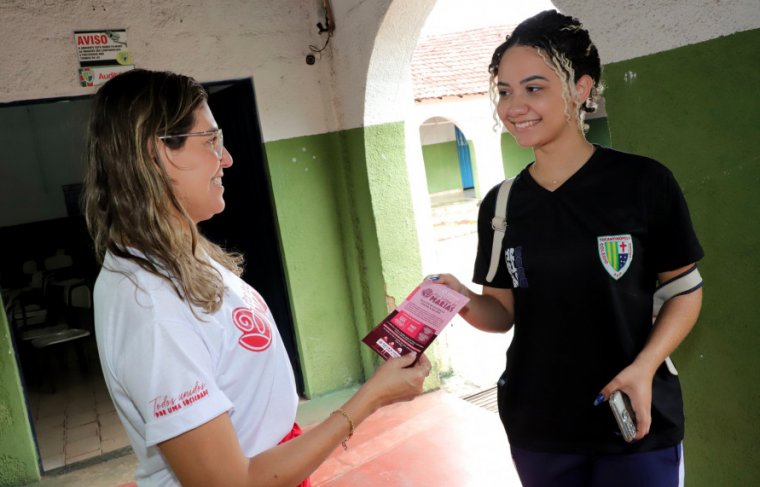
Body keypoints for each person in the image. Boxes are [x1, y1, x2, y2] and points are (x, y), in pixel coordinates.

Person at [83, 68, 431, 487]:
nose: (226, 158)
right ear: (157, 152)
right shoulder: (152, 308)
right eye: (211, 141)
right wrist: (371, 397)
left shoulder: (178, 255)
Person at [432, 10, 703, 487]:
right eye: (504, 91)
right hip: (539, 427)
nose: (515, 106)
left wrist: (643, 368)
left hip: (634, 420)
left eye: (534, 88)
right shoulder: (502, 203)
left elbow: (685, 290)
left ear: (580, 88)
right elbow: (501, 313)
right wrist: (458, 299)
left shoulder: (642, 182)